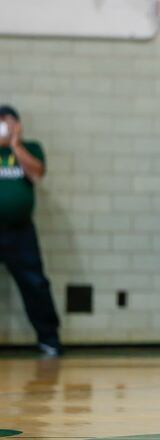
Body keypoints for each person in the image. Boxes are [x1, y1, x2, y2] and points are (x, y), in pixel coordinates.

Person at [0, 104, 62, 357]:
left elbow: (36, 174)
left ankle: (49, 339)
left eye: (9, 123)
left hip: (20, 230)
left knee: (35, 284)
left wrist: (15, 144)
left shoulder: (31, 148)